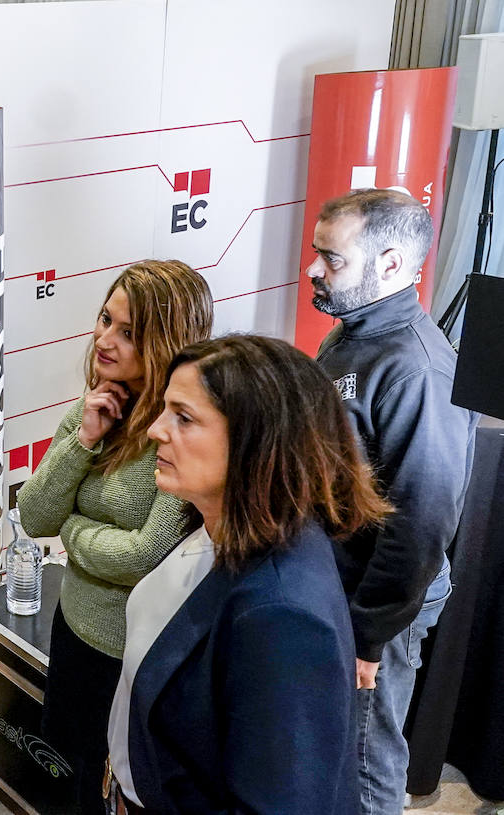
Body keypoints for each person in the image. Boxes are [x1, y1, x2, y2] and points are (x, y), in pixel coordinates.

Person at [107, 334, 386, 814]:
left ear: (256, 438)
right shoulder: (213, 526)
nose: (155, 430)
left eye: (184, 417)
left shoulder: (282, 613)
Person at [15, 260, 212, 815]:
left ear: (165, 342)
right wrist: (84, 439)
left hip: (134, 656)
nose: (105, 338)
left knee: (122, 792)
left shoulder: (180, 432)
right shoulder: (98, 404)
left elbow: (143, 555)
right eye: (106, 319)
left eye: (128, 332)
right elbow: (32, 514)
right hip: (74, 632)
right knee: (66, 780)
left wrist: (73, 530)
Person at [306, 189, 478, 814]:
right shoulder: (351, 335)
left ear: (390, 264)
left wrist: (368, 636)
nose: (315, 270)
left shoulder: (418, 370)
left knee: (367, 761)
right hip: (333, 587)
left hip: (378, 609)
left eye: (332, 259)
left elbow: (422, 526)